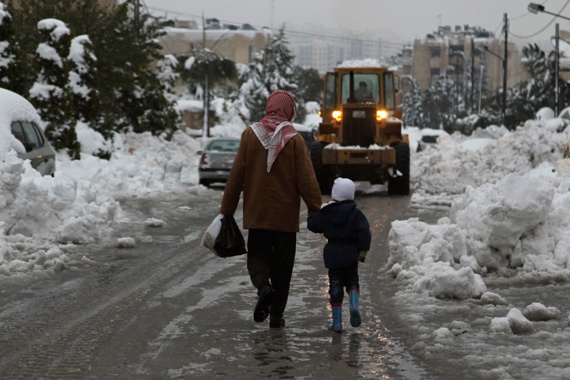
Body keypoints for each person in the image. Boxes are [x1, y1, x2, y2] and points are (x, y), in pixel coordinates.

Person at [220, 90, 322, 329]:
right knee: (283, 268)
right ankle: (276, 316)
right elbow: (307, 180)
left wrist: (227, 208)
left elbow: (236, 176)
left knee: (257, 257)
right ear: (289, 110)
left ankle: (263, 288)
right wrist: (315, 210)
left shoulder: (249, 135)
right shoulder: (294, 139)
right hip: (285, 219)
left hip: (257, 215)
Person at [307, 177, 371, 333]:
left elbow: (314, 226)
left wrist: (311, 217)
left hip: (333, 256)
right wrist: (362, 252)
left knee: (335, 288)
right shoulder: (356, 214)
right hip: (351, 255)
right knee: (352, 281)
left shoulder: (326, 212)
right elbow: (364, 233)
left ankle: (337, 324)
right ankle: (354, 303)